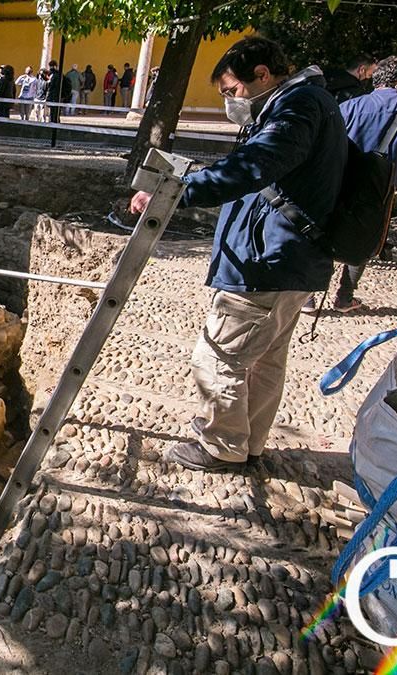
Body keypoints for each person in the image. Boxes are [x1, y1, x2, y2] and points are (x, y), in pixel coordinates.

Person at [128, 36, 347, 471]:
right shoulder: (301, 103)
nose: (231, 102)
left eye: (232, 91)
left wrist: (177, 192)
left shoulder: (296, 107)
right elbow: (254, 165)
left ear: (262, 75)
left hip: (268, 262)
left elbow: (253, 167)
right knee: (265, 358)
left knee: (217, 356)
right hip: (292, 260)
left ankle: (221, 446)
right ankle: (249, 442)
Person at [323, 55, 397, 313]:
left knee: (325, 231)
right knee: (365, 235)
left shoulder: (350, 106)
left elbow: (330, 143)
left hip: (341, 181)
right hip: (382, 188)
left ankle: (308, 297)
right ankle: (344, 297)